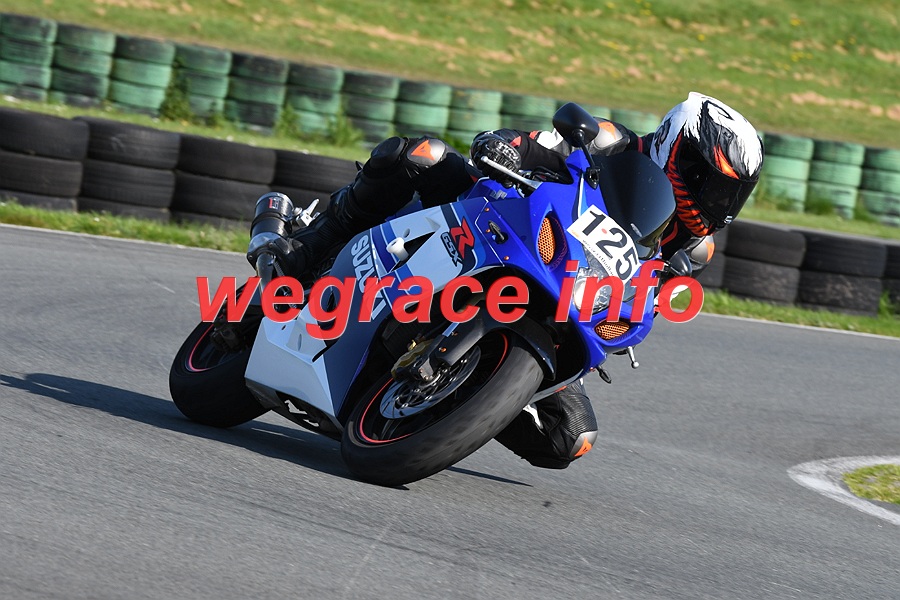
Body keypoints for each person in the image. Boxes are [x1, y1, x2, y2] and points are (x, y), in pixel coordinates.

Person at [246, 91, 765, 470]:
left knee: (569, 438)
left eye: (731, 195)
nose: (717, 203)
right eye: (710, 183)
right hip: (500, 223)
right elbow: (525, 142)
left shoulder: (694, 249)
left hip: (564, 299)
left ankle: (460, 402)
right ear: (676, 147)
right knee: (421, 156)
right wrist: (506, 150)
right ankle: (309, 247)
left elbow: (647, 295)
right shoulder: (609, 142)